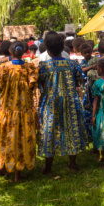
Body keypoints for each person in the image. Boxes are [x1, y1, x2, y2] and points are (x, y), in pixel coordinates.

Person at [38, 32, 88, 174]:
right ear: (63, 48)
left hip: (51, 102)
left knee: (49, 130)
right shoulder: (73, 64)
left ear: (47, 49)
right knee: (72, 128)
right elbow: (80, 79)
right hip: (71, 100)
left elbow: (39, 82)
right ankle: (72, 164)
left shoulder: (44, 66)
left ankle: (48, 167)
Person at [0, 41, 39, 181]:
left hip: (8, 110)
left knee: (8, 139)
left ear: (10, 52)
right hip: (25, 110)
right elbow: (32, 87)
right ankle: (18, 172)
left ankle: (7, 168)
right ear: (24, 52)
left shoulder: (2, 69)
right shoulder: (29, 68)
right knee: (23, 138)